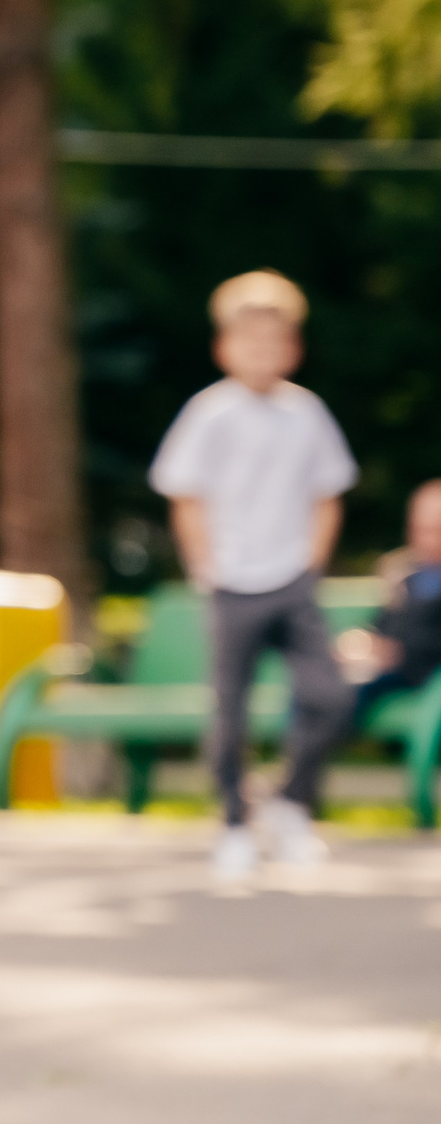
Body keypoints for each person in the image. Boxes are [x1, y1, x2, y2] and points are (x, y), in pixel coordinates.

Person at [151, 269, 356, 881]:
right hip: (232, 582)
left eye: (274, 342)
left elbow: (328, 492)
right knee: (230, 712)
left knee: (331, 697)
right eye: (249, 342)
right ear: (225, 348)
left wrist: (310, 562)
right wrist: (205, 566)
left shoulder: (307, 414)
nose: (262, 353)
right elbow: (186, 496)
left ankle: (292, 802)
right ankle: (236, 825)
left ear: (292, 349)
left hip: (291, 581)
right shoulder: (209, 413)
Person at [354, 479, 441, 725]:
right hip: (383, 670)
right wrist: (366, 643)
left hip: (421, 676)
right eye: (417, 529)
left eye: (433, 530)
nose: (422, 539)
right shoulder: (408, 577)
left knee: (341, 693)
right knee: (321, 683)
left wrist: (399, 651)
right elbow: (383, 623)